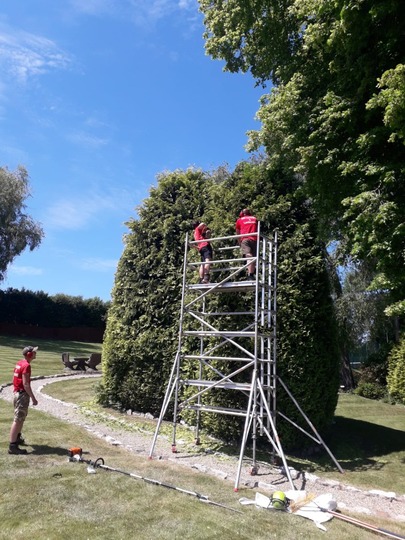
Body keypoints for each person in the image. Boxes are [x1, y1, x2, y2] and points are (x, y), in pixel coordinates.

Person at [8, 345, 38, 455]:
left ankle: (17, 438)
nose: (35, 353)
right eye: (34, 352)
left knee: (20, 417)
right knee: (18, 420)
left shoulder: (20, 363)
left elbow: (14, 378)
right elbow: (26, 384)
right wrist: (33, 398)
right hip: (22, 395)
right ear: (29, 354)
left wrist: (16, 390)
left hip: (17, 393)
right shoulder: (26, 366)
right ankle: (12, 446)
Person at [235, 208, 258, 279]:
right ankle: (251, 273)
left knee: (248, 256)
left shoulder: (240, 220)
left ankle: (250, 274)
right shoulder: (255, 219)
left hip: (245, 239)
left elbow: (238, 233)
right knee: (253, 257)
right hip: (254, 239)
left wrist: (239, 243)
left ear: (242, 214)